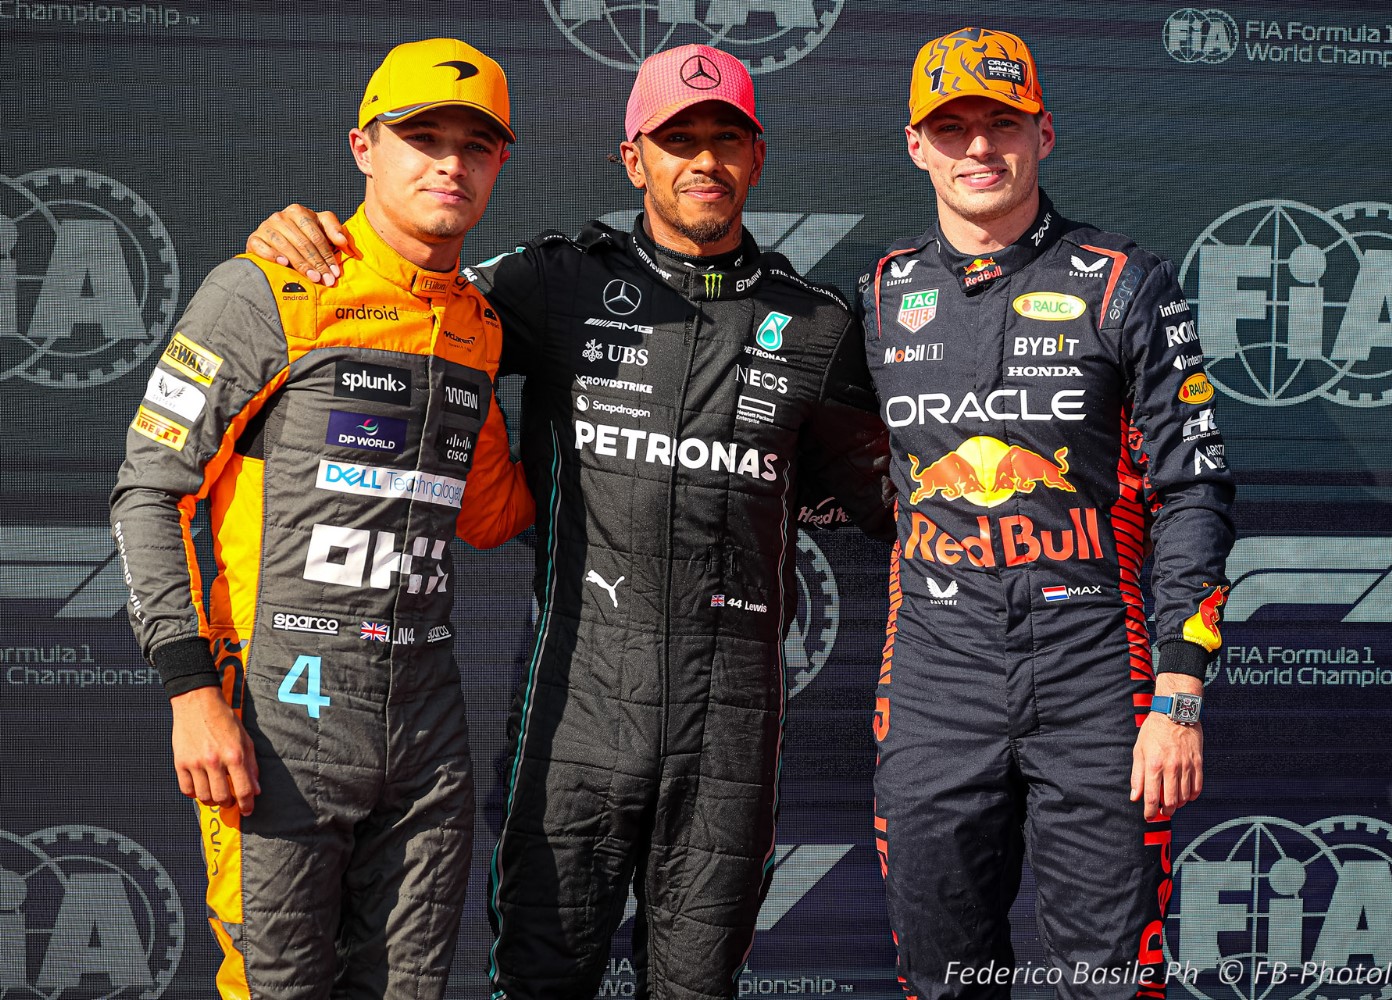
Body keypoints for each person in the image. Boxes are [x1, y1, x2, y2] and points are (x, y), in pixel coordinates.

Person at [244, 43, 893, 1000]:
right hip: (573, 722)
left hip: (732, 731)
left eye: (726, 140)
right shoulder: (552, 281)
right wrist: (302, 236)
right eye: (678, 141)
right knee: (542, 981)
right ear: (634, 159)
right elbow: (416, 297)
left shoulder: (818, 324)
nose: (702, 161)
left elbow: (888, 491)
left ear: (757, 158)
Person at [110, 38, 533, 999]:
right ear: (362, 147)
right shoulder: (265, 287)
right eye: (421, 137)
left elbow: (490, 515)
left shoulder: (481, 324)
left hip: (426, 741)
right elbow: (148, 490)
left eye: (475, 144)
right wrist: (190, 690)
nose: (448, 164)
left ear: (501, 162)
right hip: (276, 722)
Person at [859, 27, 1234, 1000]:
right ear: (916, 145)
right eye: (954, 127)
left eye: (1002, 123)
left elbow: (1196, 488)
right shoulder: (876, 296)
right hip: (937, 687)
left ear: (1045, 134)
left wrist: (1180, 694)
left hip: (1096, 682)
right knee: (946, 981)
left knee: (1107, 981)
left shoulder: (1123, 281)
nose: (978, 148)